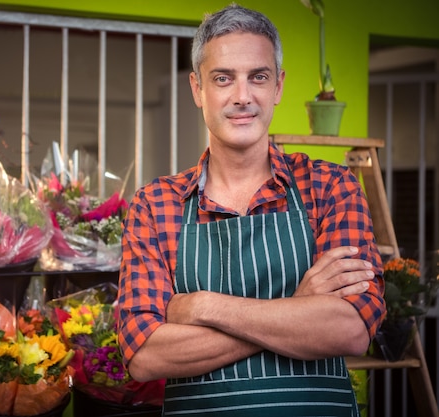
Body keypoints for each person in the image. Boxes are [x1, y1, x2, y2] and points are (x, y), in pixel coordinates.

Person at [117, 3, 386, 416]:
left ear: (277, 86)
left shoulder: (331, 187)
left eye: (257, 77)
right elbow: (145, 355)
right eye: (223, 79)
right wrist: (299, 307)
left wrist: (203, 307)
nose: (242, 97)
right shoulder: (156, 205)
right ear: (197, 89)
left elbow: (350, 329)